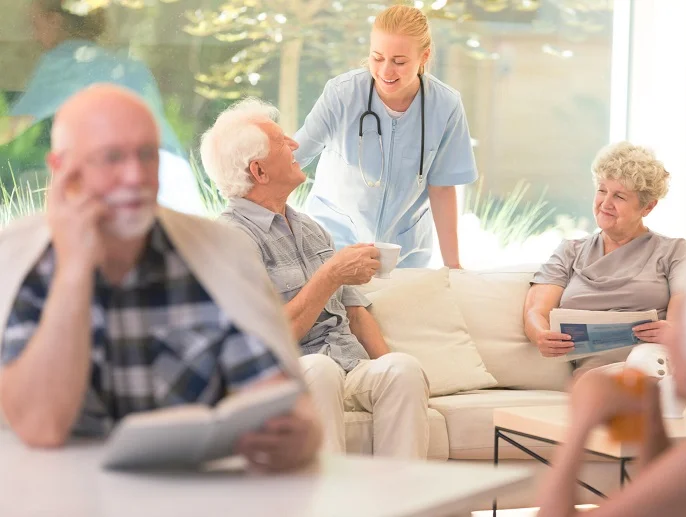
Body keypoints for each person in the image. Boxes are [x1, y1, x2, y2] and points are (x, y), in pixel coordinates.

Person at [0, 85, 321, 472]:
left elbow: (277, 396)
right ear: (64, 171)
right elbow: (42, 425)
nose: (135, 176)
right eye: (112, 157)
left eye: (146, 154)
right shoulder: (19, 260)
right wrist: (74, 269)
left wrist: (299, 434)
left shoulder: (218, 253)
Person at [200, 98, 431, 459]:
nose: (294, 144)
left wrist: (385, 361)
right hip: (293, 372)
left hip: (350, 366)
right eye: (281, 142)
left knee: (402, 369)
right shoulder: (229, 239)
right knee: (319, 370)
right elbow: (268, 341)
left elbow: (355, 313)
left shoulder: (311, 228)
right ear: (259, 171)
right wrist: (329, 275)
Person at [536, 242, 686, 517]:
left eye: (681, 327)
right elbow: (663, 507)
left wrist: (581, 422)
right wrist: (652, 416)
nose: (669, 338)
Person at [293, 5, 478, 269]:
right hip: (336, 241)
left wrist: (453, 266)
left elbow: (442, 187)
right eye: (377, 58)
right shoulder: (342, 94)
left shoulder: (445, 105)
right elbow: (294, 157)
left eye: (399, 62)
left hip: (404, 249)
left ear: (424, 56)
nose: (386, 71)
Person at [0, 0, 201, 214]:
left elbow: (9, 128)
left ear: (54, 21)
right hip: (176, 176)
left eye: (35, 25)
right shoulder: (125, 62)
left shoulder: (66, 60)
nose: (33, 35)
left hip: (132, 180)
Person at [524, 142, 686, 373]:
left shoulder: (673, 250)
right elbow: (536, 312)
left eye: (619, 196)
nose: (605, 203)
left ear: (647, 207)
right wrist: (540, 335)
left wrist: (671, 329)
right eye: (602, 190)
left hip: (651, 361)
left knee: (641, 370)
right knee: (595, 381)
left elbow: (683, 317)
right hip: (593, 369)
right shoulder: (570, 251)